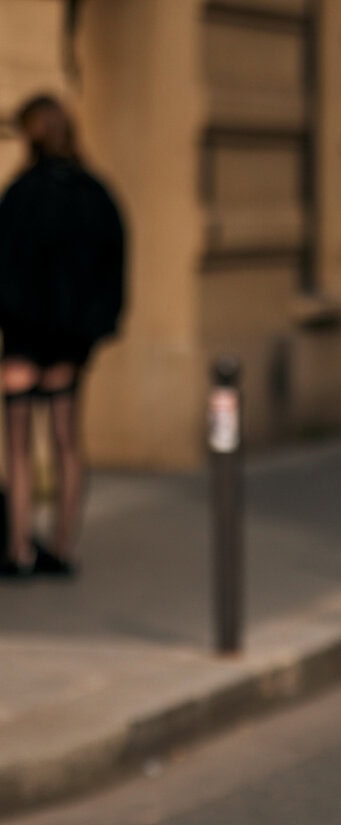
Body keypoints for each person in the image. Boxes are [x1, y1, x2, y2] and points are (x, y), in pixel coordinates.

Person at [0, 94, 124, 579]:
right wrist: (91, 327)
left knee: (18, 442)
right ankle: (64, 544)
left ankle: (19, 547)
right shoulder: (94, 195)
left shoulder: (21, 194)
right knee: (67, 438)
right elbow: (112, 272)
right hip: (70, 338)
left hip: (24, 335)